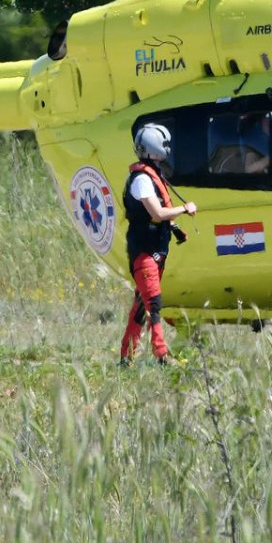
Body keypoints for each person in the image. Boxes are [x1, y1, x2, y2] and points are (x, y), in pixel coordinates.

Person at [120, 123, 197, 365]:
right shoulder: (142, 180)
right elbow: (156, 213)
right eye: (164, 144)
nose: (168, 148)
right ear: (154, 146)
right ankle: (161, 355)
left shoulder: (153, 175)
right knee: (153, 303)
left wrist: (175, 228)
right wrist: (184, 209)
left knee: (141, 305)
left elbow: (160, 213)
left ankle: (126, 357)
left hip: (156, 248)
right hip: (144, 250)